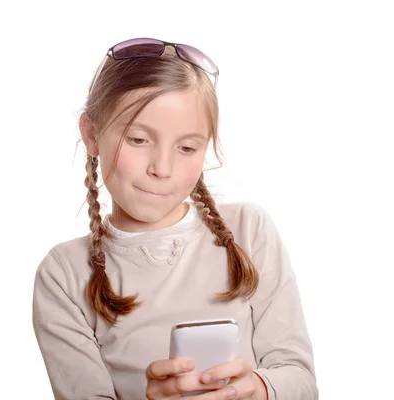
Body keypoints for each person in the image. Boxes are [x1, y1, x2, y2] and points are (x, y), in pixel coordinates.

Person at [32, 37, 318, 400]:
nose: (162, 169)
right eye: (138, 139)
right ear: (91, 135)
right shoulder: (64, 274)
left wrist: (257, 389)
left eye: (187, 148)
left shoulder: (249, 230)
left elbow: (300, 380)